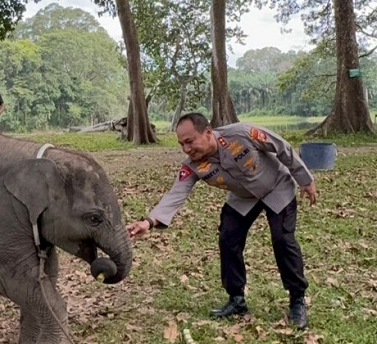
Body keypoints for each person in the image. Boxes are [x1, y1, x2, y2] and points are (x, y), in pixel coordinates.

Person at [127, 112, 317, 329]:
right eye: (181, 144)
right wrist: (149, 222)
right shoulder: (193, 165)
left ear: (208, 132)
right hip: (243, 198)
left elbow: (282, 147)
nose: (186, 149)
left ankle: (297, 300)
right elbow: (175, 194)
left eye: (190, 141)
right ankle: (236, 299)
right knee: (228, 239)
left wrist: (305, 179)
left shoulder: (242, 134)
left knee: (282, 239)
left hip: (277, 186)